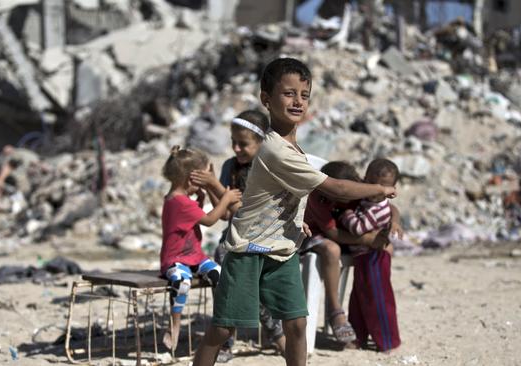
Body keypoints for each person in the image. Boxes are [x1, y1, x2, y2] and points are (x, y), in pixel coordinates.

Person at [192, 57, 396, 366]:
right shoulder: (275, 149)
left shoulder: (295, 149)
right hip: (249, 249)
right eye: (288, 93)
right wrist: (378, 190)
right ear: (266, 99)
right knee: (222, 328)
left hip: (283, 250)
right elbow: (336, 189)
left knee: (298, 324)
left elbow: (288, 197)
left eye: (304, 94)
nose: (297, 101)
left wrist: (298, 222)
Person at [190, 110, 286, 362]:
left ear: (261, 142)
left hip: (262, 238)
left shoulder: (265, 168)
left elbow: (241, 209)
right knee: (220, 268)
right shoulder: (230, 166)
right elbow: (223, 213)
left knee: (250, 280)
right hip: (233, 237)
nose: (236, 148)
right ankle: (226, 340)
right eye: (233, 142)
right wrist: (210, 185)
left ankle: (276, 335)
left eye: (243, 144)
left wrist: (215, 185)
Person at [301, 161, 400, 345]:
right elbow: (332, 234)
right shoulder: (320, 197)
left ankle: (371, 319)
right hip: (312, 234)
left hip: (349, 235)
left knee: (386, 249)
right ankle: (335, 311)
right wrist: (368, 240)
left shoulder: (360, 188)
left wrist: (394, 222)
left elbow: (388, 206)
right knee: (332, 249)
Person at [160, 146, 242, 351]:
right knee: (182, 281)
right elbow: (210, 219)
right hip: (175, 259)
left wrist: (201, 198)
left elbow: (194, 216)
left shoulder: (178, 198)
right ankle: (175, 325)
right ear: (191, 180)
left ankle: (221, 323)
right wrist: (226, 199)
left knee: (218, 273)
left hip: (194, 256)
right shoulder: (180, 202)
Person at [347, 158, 402, 352]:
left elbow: (358, 228)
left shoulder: (379, 209)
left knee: (378, 298)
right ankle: (358, 336)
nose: (378, 191)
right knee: (359, 298)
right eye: (373, 185)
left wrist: (345, 216)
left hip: (375, 257)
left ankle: (387, 340)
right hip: (363, 257)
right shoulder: (365, 200)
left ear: (392, 190)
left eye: (383, 188)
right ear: (365, 181)